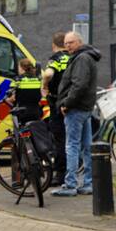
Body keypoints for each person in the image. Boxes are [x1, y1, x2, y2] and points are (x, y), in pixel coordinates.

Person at [52, 32, 101, 197]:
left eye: (71, 42)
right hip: (85, 108)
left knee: (71, 146)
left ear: (80, 42)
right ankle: (88, 183)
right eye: (66, 43)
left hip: (76, 108)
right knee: (86, 147)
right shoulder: (86, 57)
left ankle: (70, 185)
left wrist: (66, 103)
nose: (67, 46)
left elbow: (79, 85)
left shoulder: (81, 59)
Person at [42, 32, 70, 186]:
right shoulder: (73, 57)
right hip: (72, 102)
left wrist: (45, 86)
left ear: (54, 45)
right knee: (72, 140)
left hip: (57, 103)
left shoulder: (56, 58)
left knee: (59, 140)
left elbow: (48, 73)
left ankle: (60, 175)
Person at [7, 59, 42, 124]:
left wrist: (7, 100)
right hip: (36, 112)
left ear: (22, 68)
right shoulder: (38, 80)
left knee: (20, 132)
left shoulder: (17, 80)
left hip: (21, 112)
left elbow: (12, 98)